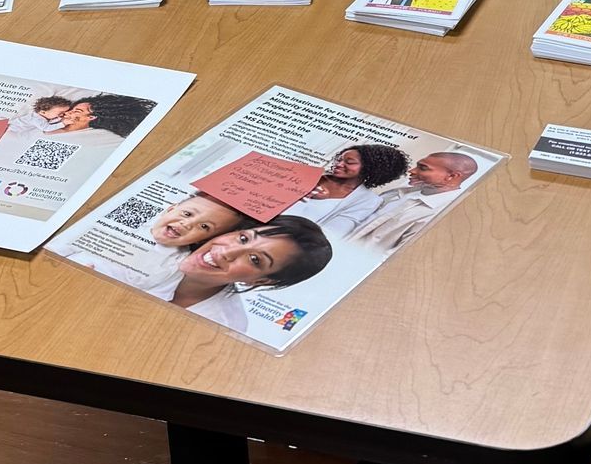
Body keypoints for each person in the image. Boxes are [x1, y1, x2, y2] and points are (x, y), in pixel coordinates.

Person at [169, 217, 333, 335]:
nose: (227, 252)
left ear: (261, 280)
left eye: (255, 259)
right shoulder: (161, 243)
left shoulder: (226, 326)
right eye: (243, 238)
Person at [338, 150, 481, 254]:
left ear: (452, 176)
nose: (412, 171)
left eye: (423, 168)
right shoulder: (401, 191)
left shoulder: (440, 215)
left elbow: (394, 258)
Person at [292, 142, 410, 237]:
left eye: (349, 162)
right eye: (339, 159)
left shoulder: (368, 200)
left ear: (368, 169)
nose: (339, 164)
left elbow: (330, 234)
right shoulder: (312, 176)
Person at [31, 92, 154, 137]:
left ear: (91, 117)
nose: (67, 112)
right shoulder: (47, 122)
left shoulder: (95, 136)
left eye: (76, 111)